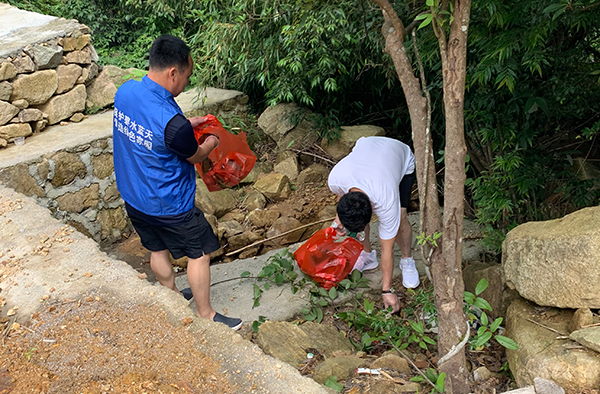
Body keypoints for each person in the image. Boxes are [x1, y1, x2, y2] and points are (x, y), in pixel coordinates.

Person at [112, 35, 242, 330]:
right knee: (200, 253)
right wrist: (210, 142)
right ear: (173, 72)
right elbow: (195, 156)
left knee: (157, 248)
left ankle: (170, 296)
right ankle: (207, 315)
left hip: (134, 196)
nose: (186, 82)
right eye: (186, 76)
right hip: (170, 203)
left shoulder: (126, 91)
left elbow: (155, 125)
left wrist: (185, 124)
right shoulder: (173, 124)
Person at [328, 136, 419, 313]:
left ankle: (407, 259)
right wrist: (338, 220)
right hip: (367, 145)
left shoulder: (386, 201)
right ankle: (367, 256)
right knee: (357, 218)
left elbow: (388, 249)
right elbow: (342, 197)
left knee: (400, 218)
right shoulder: (336, 178)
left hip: (401, 155)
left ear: (373, 209)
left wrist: (386, 290)